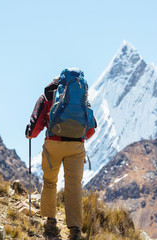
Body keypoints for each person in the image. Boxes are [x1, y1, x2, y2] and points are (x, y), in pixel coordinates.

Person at [25, 68, 96, 240]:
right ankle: (75, 230)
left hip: (54, 143)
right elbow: (91, 128)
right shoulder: (82, 97)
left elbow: (36, 125)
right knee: (74, 186)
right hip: (76, 147)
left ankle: (50, 221)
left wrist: (30, 134)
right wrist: (77, 139)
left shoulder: (48, 95)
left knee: (50, 181)